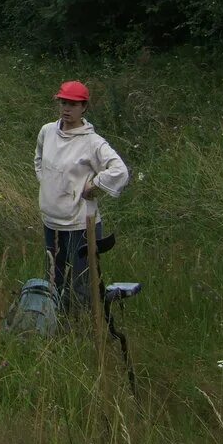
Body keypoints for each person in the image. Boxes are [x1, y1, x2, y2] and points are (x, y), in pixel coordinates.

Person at [34, 80, 129, 312]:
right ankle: (55, 324)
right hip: (51, 221)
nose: (67, 108)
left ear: (84, 107)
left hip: (79, 223)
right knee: (55, 280)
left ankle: (81, 327)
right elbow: (39, 161)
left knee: (80, 284)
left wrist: (94, 186)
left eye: (73, 104)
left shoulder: (92, 142)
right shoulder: (47, 131)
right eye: (64, 103)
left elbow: (120, 170)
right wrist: (49, 185)